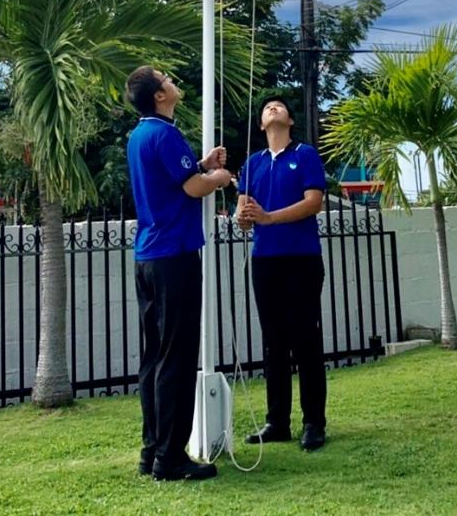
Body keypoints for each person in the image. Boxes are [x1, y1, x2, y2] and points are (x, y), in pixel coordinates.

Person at [125, 66, 230, 481]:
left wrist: (201, 164)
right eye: (165, 78)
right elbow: (191, 187)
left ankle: (152, 450)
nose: (172, 80)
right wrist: (218, 177)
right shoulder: (165, 134)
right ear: (159, 96)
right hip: (174, 255)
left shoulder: (140, 135)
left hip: (149, 256)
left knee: (154, 356)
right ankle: (170, 458)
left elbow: (174, 178)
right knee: (177, 357)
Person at [235, 95, 328, 451]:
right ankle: (277, 422)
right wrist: (244, 218)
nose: (273, 108)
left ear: (289, 121)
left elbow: (314, 202)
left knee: (305, 339)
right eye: (267, 107)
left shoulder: (304, 155)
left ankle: (313, 422)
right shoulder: (253, 163)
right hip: (265, 260)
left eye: (279, 106)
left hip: (301, 259)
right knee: (273, 342)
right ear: (262, 124)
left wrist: (270, 217)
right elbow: (243, 214)